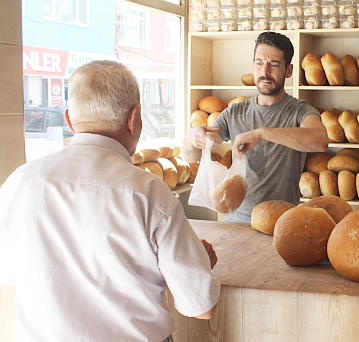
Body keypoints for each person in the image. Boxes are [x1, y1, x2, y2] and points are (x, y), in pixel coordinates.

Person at [0, 60, 221, 342]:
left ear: (69, 120)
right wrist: (194, 261)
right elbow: (202, 307)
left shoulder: (20, 182)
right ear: (134, 118)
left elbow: (7, 273)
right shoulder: (148, 192)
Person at [183, 31, 329, 223]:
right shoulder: (234, 112)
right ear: (253, 67)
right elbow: (190, 156)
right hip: (236, 223)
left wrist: (262, 133)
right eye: (259, 63)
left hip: (281, 225)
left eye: (274, 64)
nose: (265, 71)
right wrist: (193, 136)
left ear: (289, 71)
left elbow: (320, 141)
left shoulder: (300, 111)